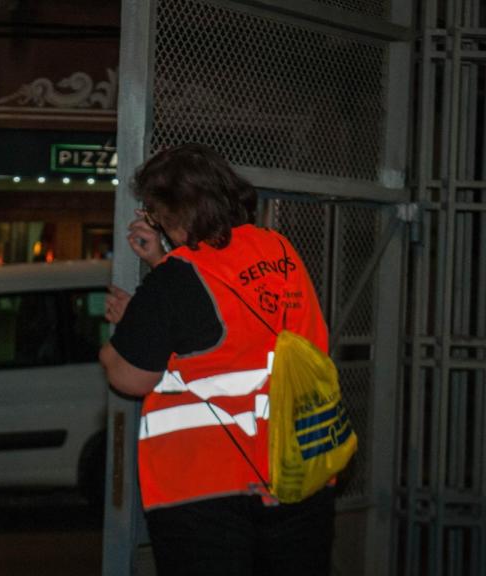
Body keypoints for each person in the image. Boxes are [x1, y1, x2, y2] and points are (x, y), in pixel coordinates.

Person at [99, 143, 335, 576]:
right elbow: (232, 314)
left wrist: (133, 317)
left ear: (173, 214)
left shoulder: (177, 277)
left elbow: (127, 375)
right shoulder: (280, 250)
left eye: (154, 213)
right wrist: (164, 260)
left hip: (206, 490)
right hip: (299, 471)